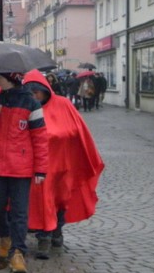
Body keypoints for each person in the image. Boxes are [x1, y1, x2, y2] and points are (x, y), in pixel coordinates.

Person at [23, 70, 105, 259]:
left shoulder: (63, 104)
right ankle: (44, 237)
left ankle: (57, 230)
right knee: (42, 201)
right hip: (37, 166)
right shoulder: (26, 107)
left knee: (60, 200)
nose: (35, 95)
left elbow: (78, 132)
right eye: (31, 92)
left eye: (38, 91)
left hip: (62, 164)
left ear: (45, 89)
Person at [0, 72, 49, 273]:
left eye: (0, 76)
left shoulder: (31, 103)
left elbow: (40, 139)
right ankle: (4, 235)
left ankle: (18, 253)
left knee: (19, 212)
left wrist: (41, 169)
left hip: (21, 168)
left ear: (10, 78)